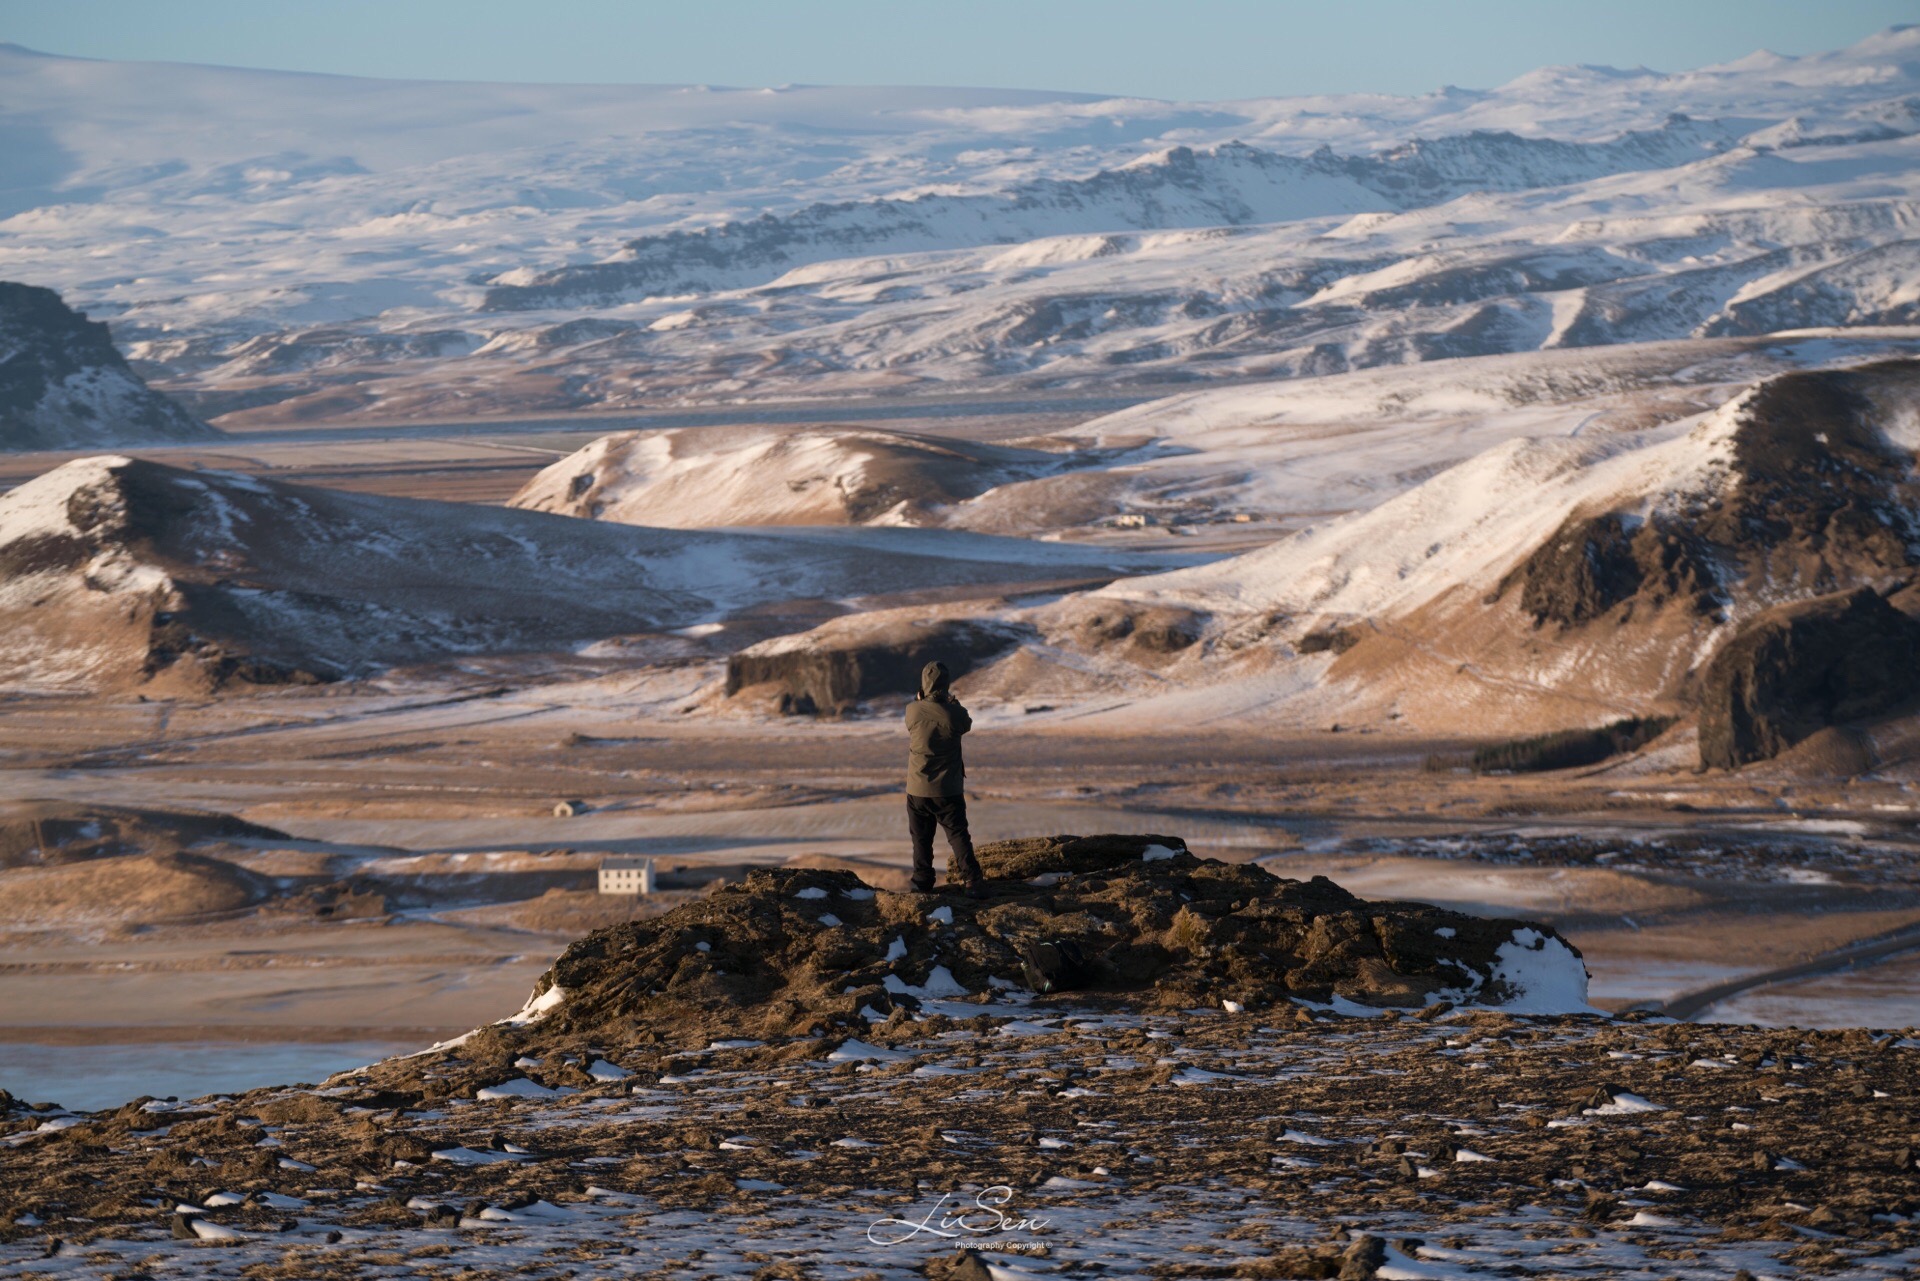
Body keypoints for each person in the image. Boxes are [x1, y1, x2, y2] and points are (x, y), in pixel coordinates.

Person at [905, 660, 987, 898]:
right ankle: (973, 882)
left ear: (923, 685)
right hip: (948, 790)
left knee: (921, 839)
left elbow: (918, 719)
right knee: (958, 836)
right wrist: (953, 703)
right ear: (947, 685)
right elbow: (966, 724)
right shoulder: (955, 714)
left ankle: (922, 883)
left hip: (917, 788)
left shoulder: (912, 710)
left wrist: (922, 701)